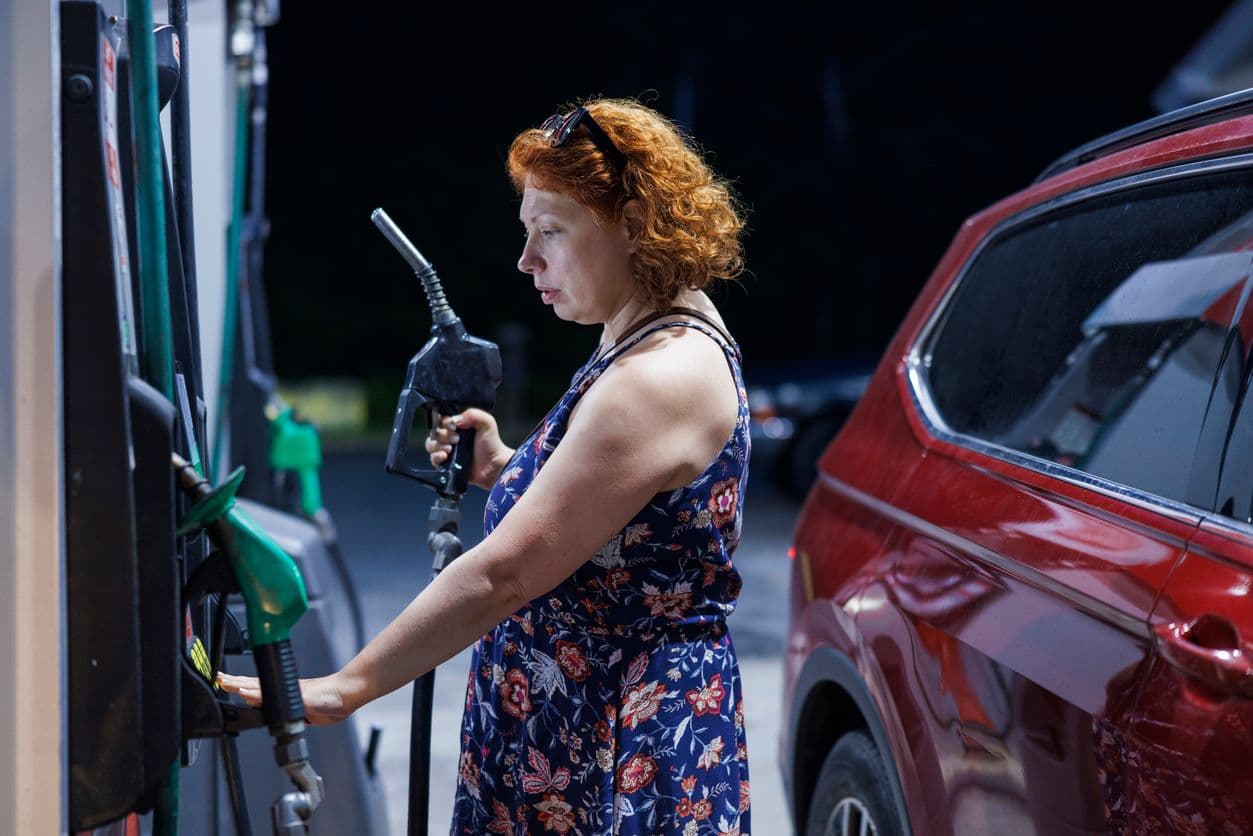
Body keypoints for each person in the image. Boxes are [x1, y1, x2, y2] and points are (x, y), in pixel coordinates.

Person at [220, 97, 751, 835]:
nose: (526, 260)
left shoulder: (657, 378)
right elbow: (614, 533)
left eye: (550, 233)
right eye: (525, 231)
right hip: (573, 733)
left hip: (614, 749)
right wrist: (505, 467)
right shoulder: (638, 334)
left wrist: (345, 688)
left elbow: (505, 573)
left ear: (633, 223)